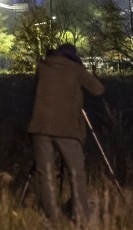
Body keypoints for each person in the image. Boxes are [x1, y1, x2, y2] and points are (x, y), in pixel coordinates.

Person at [27, 43, 105, 225]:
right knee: (76, 172)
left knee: (45, 173)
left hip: (40, 126)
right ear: (73, 56)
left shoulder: (42, 67)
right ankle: (81, 216)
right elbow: (99, 89)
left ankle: (52, 217)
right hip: (66, 127)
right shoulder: (76, 69)